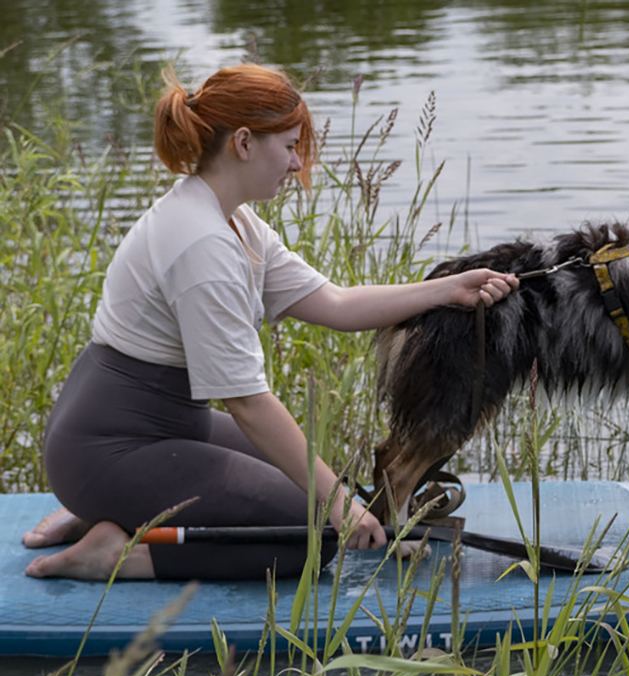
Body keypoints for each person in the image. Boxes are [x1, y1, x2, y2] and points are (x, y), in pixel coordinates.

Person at [21, 64, 518, 581]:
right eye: (288, 145)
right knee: (316, 534)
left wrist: (447, 290)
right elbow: (249, 405)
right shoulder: (202, 245)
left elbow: (336, 303)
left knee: (319, 485)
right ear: (243, 142)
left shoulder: (231, 219)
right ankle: (117, 554)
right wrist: (342, 506)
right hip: (110, 446)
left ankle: (109, 506)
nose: (296, 163)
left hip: (155, 433)